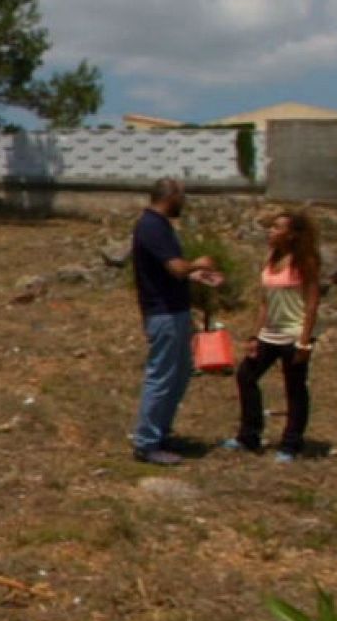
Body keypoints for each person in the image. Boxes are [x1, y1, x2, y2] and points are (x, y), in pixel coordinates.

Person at [130, 179, 219, 466]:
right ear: (171, 196)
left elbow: (168, 272)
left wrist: (196, 277)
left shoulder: (159, 225)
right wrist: (198, 264)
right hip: (164, 313)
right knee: (162, 376)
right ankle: (146, 442)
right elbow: (176, 267)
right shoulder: (152, 226)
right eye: (182, 196)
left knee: (179, 374)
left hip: (174, 310)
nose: (185, 201)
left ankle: (160, 432)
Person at [221, 211, 322, 463]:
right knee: (246, 375)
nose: (271, 231)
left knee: (295, 388)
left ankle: (291, 443)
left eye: (278, 228)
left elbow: (311, 303)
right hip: (270, 333)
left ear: (292, 234)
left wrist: (305, 340)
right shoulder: (270, 259)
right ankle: (249, 436)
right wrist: (255, 335)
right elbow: (264, 303)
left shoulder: (305, 262)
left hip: (292, 334)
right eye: (272, 227)